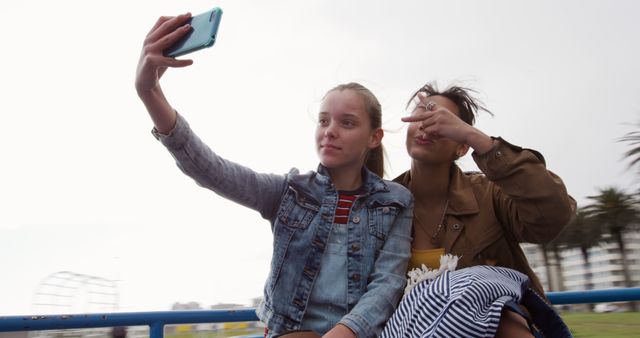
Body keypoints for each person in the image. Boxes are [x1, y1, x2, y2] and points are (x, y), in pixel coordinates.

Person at [134, 13, 414, 338]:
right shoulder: (290, 191)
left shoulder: (395, 201)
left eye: (347, 123)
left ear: (374, 137)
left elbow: (388, 283)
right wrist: (149, 92)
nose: (330, 132)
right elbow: (211, 170)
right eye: (324, 121)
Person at [382, 83, 576, 338]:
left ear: (462, 146)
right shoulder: (382, 206)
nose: (426, 124)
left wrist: (480, 141)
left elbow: (552, 216)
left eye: (442, 120)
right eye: (420, 114)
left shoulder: (488, 194)